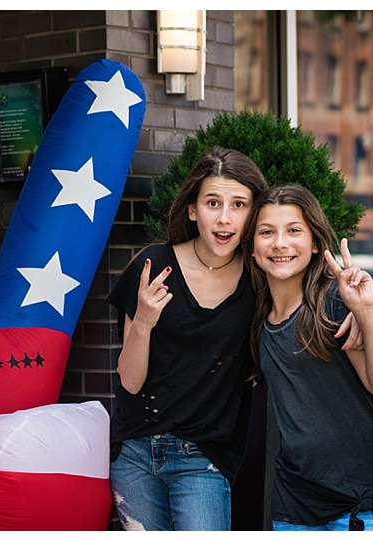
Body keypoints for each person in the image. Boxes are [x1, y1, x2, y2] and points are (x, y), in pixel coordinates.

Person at [107, 146, 267, 530]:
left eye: (239, 205)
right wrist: (144, 321)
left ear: (253, 214)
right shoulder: (154, 267)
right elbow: (129, 381)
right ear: (193, 210)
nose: (225, 218)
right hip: (136, 455)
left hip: (205, 459)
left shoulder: (260, 281)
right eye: (213, 203)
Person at [244, 184, 373, 531]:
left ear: (315, 243)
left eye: (294, 231)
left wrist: (367, 311)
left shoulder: (334, 304)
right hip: (293, 507)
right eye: (266, 232)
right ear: (253, 249)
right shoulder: (258, 320)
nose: (280, 243)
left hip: (360, 507)